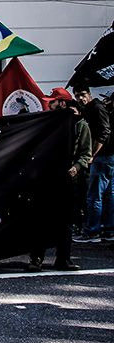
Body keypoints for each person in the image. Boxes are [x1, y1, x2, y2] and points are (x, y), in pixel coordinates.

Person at [28, 88, 92, 271]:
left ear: (62, 103)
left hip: (68, 179)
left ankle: (63, 259)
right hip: (47, 177)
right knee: (41, 218)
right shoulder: (47, 123)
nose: (49, 104)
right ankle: (36, 259)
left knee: (66, 221)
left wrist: (77, 167)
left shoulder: (80, 125)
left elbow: (85, 153)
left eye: (53, 101)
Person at [73, 86, 112, 243]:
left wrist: (92, 154)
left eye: (82, 94)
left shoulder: (96, 107)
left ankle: (93, 231)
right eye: (77, 96)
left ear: (89, 94)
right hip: (106, 156)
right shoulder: (93, 108)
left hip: (103, 156)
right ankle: (107, 229)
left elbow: (104, 131)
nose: (80, 98)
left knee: (95, 196)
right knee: (107, 194)